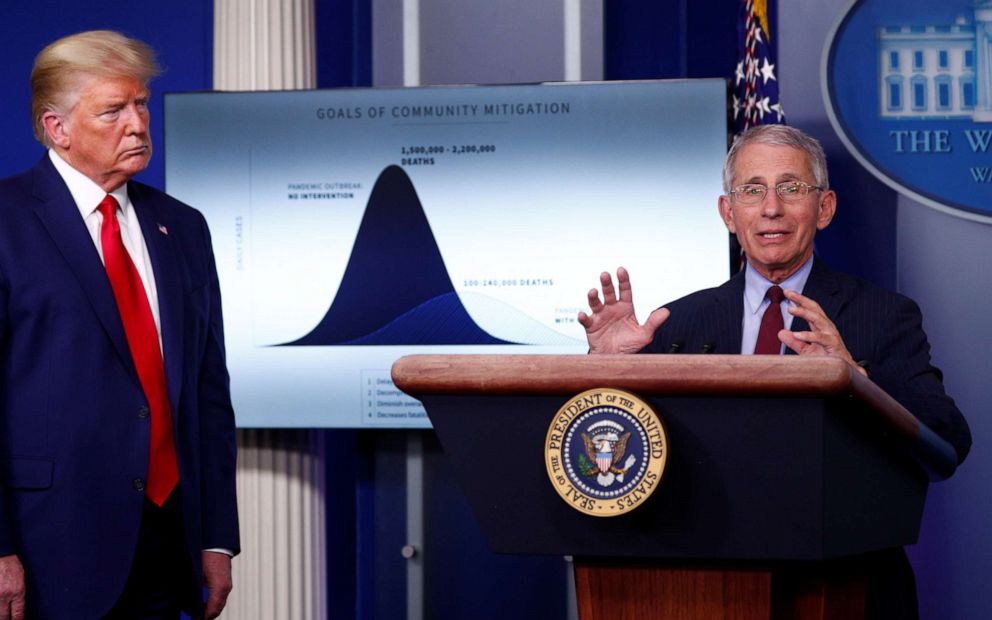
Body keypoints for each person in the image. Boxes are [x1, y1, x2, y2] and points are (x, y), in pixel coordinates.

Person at [578, 124, 971, 618]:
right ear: (728, 212)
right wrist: (607, 372)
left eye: (791, 188)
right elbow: (626, 454)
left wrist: (855, 380)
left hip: (842, 583)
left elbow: (947, 442)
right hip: (698, 584)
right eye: (752, 190)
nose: (771, 209)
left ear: (824, 208)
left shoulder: (884, 315)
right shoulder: (677, 322)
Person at [0, 31, 239, 619]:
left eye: (141, 104)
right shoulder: (5, 223)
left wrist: (215, 535)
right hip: (46, 546)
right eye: (113, 110)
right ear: (57, 128)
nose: (137, 124)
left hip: (167, 541)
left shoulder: (182, 227)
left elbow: (209, 392)